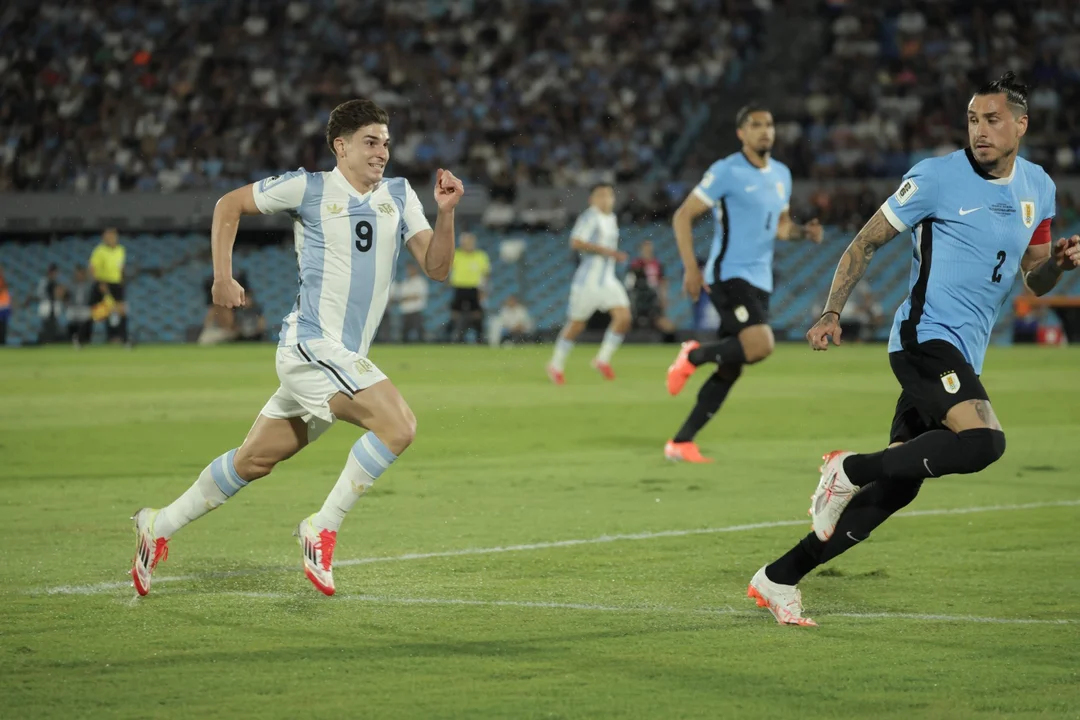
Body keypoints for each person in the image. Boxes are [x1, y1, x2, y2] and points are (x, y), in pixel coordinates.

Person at [748, 73, 1080, 627]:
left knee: (897, 490)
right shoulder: (935, 177)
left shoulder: (1038, 187)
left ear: (1021, 124)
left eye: (992, 119)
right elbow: (864, 243)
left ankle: (779, 577)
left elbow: (1035, 279)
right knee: (984, 442)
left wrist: (1059, 267)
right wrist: (831, 312)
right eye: (972, 120)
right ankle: (847, 467)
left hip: (964, 353)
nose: (980, 130)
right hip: (924, 337)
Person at [130, 98, 465, 597]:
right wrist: (222, 276)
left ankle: (158, 525)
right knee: (399, 426)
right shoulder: (308, 187)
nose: (382, 152)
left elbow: (437, 268)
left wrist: (446, 214)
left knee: (253, 461)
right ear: (341, 146)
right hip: (311, 346)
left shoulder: (399, 195)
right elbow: (228, 205)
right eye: (370, 142)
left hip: (341, 361)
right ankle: (322, 527)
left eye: (386, 143)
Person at [664, 104, 823, 463]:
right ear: (741, 133)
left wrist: (802, 232)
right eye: (756, 125)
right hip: (729, 274)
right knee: (761, 345)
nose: (765, 131)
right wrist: (690, 269)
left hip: (760, 278)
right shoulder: (726, 171)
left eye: (769, 124)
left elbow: (780, 227)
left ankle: (681, 442)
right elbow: (682, 216)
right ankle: (692, 355)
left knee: (732, 365)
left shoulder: (781, 174)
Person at [546, 183, 631, 384]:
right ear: (591, 200)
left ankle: (602, 359)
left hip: (608, 280)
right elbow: (575, 242)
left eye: (609, 195)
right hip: (588, 282)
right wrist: (608, 252)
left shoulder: (611, 218)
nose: (605, 199)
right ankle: (555, 364)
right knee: (577, 325)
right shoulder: (590, 217)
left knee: (624, 318)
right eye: (600, 195)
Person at [627, 239, 676, 342]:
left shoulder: (657, 264)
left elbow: (662, 282)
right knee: (630, 322)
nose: (647, 251)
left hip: (653, 298)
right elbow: (629, 284)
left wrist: (664, 298)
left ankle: (670, 343)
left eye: (649, 249)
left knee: (663, 322)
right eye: (645, 249)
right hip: (638, 298)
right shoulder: (635, 264)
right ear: (641, 250)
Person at [89, 228, 128, 344]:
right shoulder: (99, 250)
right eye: (106, 236)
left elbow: (121, 267)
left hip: (116, 284)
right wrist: (99, 283)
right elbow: (92, 268)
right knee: (96, 313)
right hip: (103, 283)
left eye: (111, 236)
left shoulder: (121, 250)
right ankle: (82, 337)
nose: (109, 239)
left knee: (121, 311)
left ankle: (124, 339)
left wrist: (122, 279)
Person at [448, 232, 489, 343]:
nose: (468, 244)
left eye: (470, 242)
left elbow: (485, 274)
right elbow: (448, 270)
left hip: (474, 288)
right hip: (459, 287)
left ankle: (480, 337)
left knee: (477, 313)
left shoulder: (481, 256)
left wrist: (483, 290)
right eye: (466, 242)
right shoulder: (456, 254)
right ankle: (454, 336)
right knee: (455, 313)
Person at [393, 263, 428, 343]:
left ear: (415, 269)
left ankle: (422, 346)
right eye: (407, 269)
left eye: (410, 269)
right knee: (405, 332)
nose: (408, 271)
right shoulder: (405, 281)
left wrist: (405, 298)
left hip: (416, 310)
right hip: (405, 310)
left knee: (419, 331)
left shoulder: (420, 281)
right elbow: (399, 295)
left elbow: (417, 295)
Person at [67, 266, 94, 345]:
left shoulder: (88, 285)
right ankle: (72, 338)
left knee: (87, 319)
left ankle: (85, 339)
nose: (79, 276)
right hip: (74, 307)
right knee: (70, 317)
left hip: (84, 307)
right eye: (78, 274)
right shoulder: (72, 285)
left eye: (81, 274)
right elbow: (68, 296)